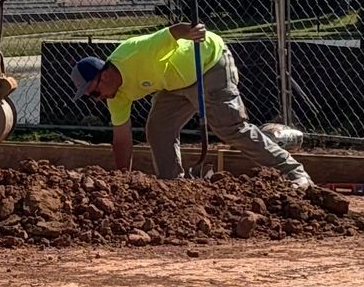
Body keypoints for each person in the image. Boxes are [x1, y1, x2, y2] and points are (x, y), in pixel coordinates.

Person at [73, 21, 311, 188]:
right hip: (174, 83)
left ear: (103, 77)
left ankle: (294, 172)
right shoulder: (116, 95)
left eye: (94, 93)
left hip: (207, 64)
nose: (97, 100)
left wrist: (191, 31)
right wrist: (122, 181)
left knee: (230, 128)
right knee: (158, 130)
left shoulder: (135, 53)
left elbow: (171, 32)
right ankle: (173, 186)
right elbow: (121, 139)